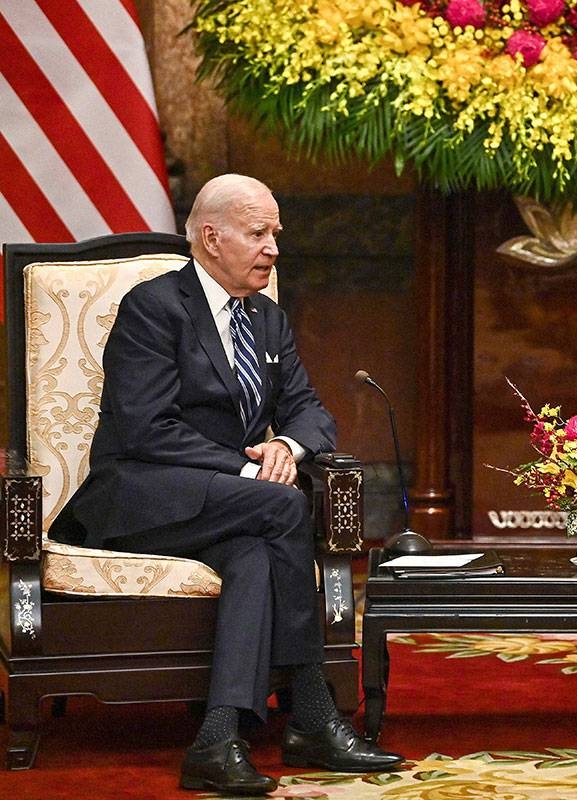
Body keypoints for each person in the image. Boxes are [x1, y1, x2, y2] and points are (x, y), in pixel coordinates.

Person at [48, 174, 403, 794]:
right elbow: (144, 429)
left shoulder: (266, 319)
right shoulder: (155, 307)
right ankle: (311, 713)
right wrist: (249, 468)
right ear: (211, 238)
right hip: (138, 494)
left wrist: (286, 445)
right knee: (282, 506)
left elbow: (313, 413)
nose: (273, 249)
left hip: (224, 507)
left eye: (275, 234)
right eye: (258, 233)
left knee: (252, 556)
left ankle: (216, 739)